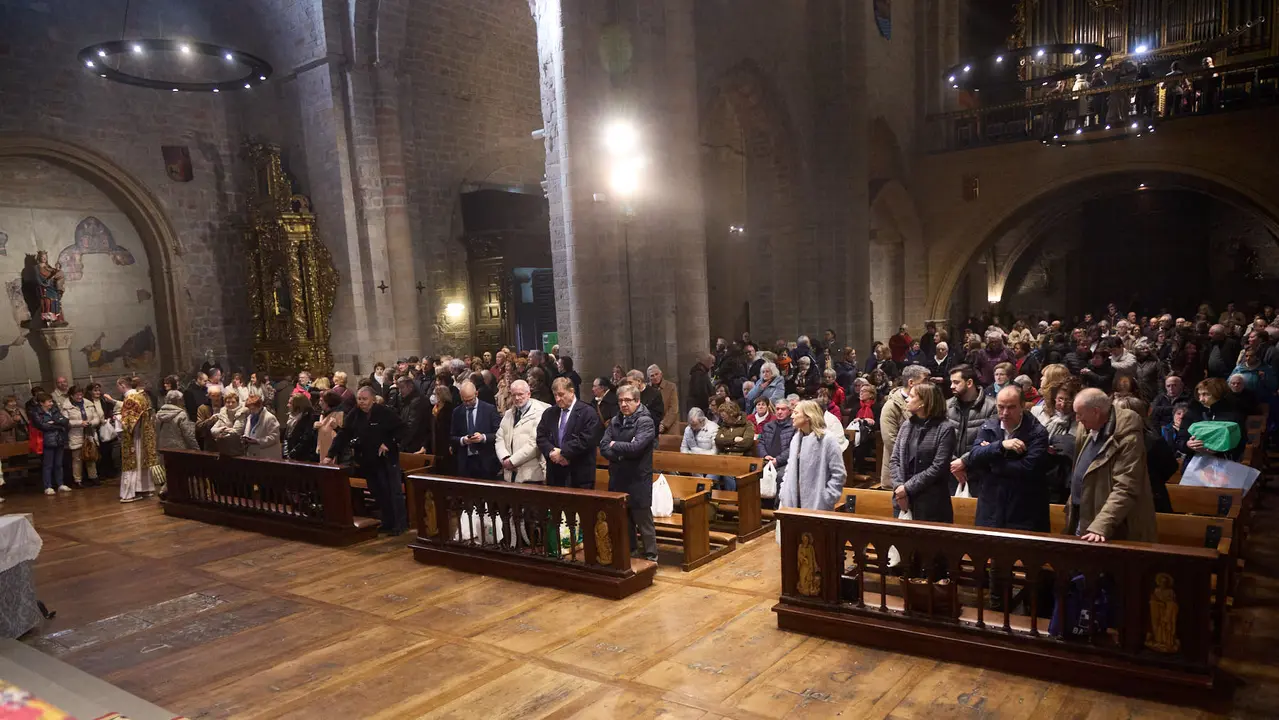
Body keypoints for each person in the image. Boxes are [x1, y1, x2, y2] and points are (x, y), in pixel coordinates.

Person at [1068, 389, 1159, 543]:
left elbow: (1125, 486)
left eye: (1080, 414)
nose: (1077, 419)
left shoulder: (1127, 436)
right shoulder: (1088, 427)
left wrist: (1101, 525)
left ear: (1096, 412)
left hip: (1111, 526)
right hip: (1083, 515)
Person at [324, 387, 406, 535]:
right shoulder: (355, 414)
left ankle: (399, 524)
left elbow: (401, 429)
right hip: (368, 460)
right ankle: (386, 522)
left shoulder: (384, 412)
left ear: (372, 399)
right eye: (359, 399)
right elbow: (344, 434)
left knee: (392, 491)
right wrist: (330, 454)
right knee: (377, 492)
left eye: (364, 399)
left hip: (386, 459)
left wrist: (387, 443)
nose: (361, 402)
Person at [967, 386, 1050, 532]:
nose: (1005, 413)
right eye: (1001, 407)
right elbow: (974, 457)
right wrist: (1001, 446)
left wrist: (992, 461)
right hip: (990, 508)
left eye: (1011, 407)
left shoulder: (1037, 432)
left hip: (1024, 510)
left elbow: (1027, 468)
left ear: (1022, 406)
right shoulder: (988, 426)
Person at [599, 384, 658, 561]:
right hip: (618, 476)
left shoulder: (645, 421)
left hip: (638, 478)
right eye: (621, 401)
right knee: (624, 519)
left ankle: (651, 555)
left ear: (637, 401)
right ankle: (630, 551)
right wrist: (618, 455)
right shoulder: (616, 420)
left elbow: (637, 447)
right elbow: (603, 445)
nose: (624, 404)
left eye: (628, 400)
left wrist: (615, 445)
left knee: (643, 519)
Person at [890, 381, 956, 524]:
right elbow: (895, 459)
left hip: (931, 504)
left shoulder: (945, 428)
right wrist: (898, 488)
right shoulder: (907, 424)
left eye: (912, 396)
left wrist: (906, 488)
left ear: (924, 403)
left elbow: (938, 467)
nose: (907, 399)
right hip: (903, 500)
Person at [778, 400, 847, 511]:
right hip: (792, 502)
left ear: (808, 416)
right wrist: (783, 491)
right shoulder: (796, 439)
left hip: (818, 504)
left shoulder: (827, 439)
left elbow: (839, 474)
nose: (792, 416)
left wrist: (827, 498)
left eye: (796, 413)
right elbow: (789, 468)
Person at [536, 377, 600, 489]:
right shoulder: (550, 413)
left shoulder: (588, 412)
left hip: (579, 473)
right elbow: (541, 437)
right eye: (555, 395)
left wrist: (563, 453)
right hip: (555, 473)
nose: (557, 399)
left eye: (561, 394)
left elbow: (586, 440)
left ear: (571, 391)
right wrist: (551, 451)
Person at [879, 364, 930, 489]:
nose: (928, 384)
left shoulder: (927, 402)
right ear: (911, 382)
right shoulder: (891, 406)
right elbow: (891, 441)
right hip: (897, 472)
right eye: (924, 381)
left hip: (922, 472)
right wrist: (915, 459)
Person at [1175, 378, 1244, 461]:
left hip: (1223, 463)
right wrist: (1188, 445)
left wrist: (1220, 450)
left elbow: (1240, 442)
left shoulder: (1233, 414)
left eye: (1205, 394)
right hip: (1195, 461)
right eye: (1199, 394)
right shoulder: (1192, 412)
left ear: (1218, 394)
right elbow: (1180, 440)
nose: (1201, 399)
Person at [495, 379, 550, 484]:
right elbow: (499, 437)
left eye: (520, 394)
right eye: (514, 395)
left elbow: (535, 444)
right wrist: (505, 457)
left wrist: (512, 461)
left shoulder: (541, 412)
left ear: (529, 394)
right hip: (510, 473)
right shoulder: (508, 414)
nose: (517, 398)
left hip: (531, 475)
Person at [451, 380, 501, 479]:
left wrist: (483, 437)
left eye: (470, 400)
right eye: (465, 401)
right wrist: (463, 440)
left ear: (476, 394)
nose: (468, 403)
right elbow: (452, 437)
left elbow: (499, 434)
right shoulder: (457, 412)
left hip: (486, 462)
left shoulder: (489, 409)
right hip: (465, 462)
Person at [118, 381, 158, 503]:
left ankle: (129, 493)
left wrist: (118, 419)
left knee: (132, 462)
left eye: (118, 387)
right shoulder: (142, 396)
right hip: (144, 435)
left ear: (122, 385)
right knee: (142, 461)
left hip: (134, 437)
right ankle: (144, 488)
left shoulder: (130, 399)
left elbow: (129, 422)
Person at [30, 392, 71, 495]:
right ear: (42, 403)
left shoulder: (54, 410)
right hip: (47, 441)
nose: (51, 403)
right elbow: (43, 426)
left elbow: (65, 421)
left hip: (59, 439)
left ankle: (60, 484)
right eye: (49, 402)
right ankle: (48, 486)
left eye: (51, 401)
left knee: (58, 464)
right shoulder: (36, 413)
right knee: (48, 465)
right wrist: (57, 424)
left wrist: (54, 423)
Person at [65, 385, 102, 488]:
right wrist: (79, 423)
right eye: (77, 395)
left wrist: (91, 423)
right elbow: (65, 421)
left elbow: (96, 418)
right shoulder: (66, 406)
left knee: (91, 455)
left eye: (81, 394)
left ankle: (93, 477)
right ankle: (78, 480)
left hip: (89, 433)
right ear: (71, 396)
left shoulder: (89, 404)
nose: (79, 397)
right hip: (75, 434)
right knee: (77, 458)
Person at [394, 376, 431, 453]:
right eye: (399, 388)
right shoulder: (404, 399)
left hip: (416, 443)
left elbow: (412, 425)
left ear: (410, 387)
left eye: (402, 388)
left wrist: (402, 444)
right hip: (408, 441)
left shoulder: (418, 401)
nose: (400, 391)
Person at [156, 389, 198, 456]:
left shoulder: (158, 414)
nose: (183, 402)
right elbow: (188, 434)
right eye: (181, 400)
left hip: (162, 448)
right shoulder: (181, 415)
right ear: (178, 401)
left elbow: (156, 433)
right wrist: (196, 449)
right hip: (179, 449)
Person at [239, 394, 282, 459]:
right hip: (253, 454)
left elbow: (274, 437)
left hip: (267, 456)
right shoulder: (250, 417)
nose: (251, 411)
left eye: (253, 409)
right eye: (249, 409)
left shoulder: (270, 418)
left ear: (260, 406)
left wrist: (258, 441)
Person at [283, 393, 319, 462]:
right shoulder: (291, 418)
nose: (287, 405)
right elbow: (286, 437)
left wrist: (292, 454)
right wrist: (286, 454)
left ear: (298, 406)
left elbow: (305, 440)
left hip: (303, 458)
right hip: (289, 456)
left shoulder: (309, 419)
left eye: (290, 403)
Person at [646, 365, 680, 436]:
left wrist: (664, 424)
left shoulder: (671, 387)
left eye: (656, 374)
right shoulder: (647, 388)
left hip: (670, 425)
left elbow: (674, 408)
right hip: (652, 426)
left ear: (661, 374)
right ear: (649, 378)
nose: (655, 377)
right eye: (652, 376)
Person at [315, 390, 346, 462]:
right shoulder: (323, 414)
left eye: (321, 401)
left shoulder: (339, 415)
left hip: (332, 456)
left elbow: (342, 435)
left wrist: (336, 427)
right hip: (322, 452)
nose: (319, 403)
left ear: (329, 402)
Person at [210, 391, 244, 456]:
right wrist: (222, 429)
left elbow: (237, 431)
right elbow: (213, 430)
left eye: (233, 402)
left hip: (236, 449)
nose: (230, 404)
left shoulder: (241, 413)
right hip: (223, 449)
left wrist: (221, 432)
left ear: (237, 403)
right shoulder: (223, 413)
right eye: (228, 402)